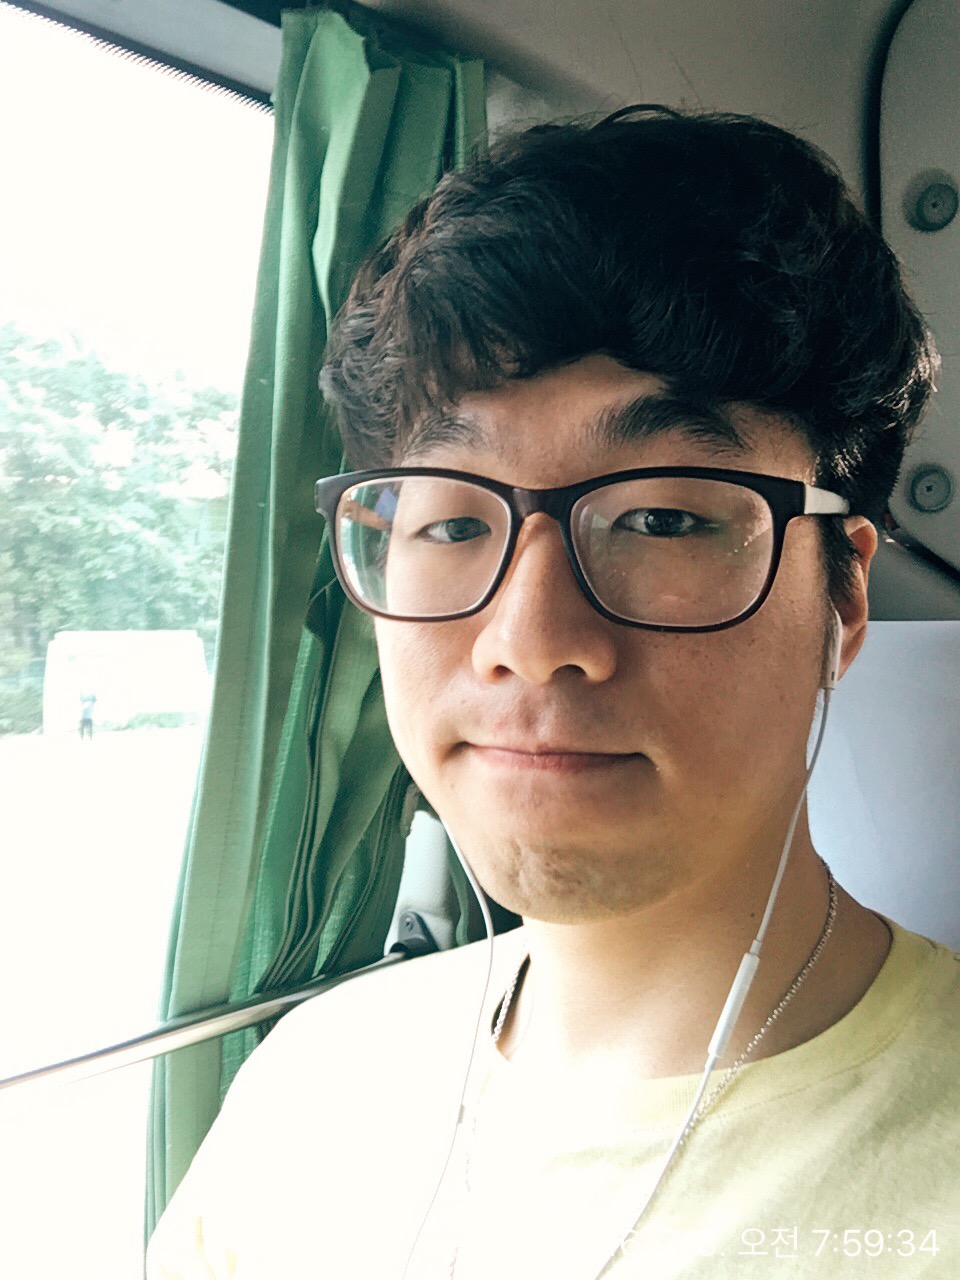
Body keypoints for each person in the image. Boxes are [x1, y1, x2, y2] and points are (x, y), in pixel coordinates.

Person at [147, 107, 959, 1279]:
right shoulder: (309, 1081)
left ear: (842, 599)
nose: (529, 640)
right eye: (450, 522)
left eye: (663, 518)